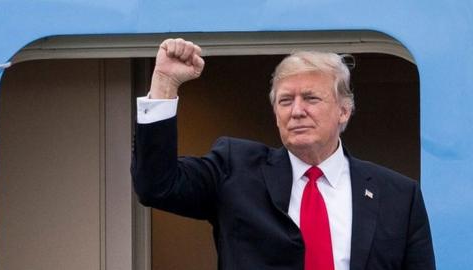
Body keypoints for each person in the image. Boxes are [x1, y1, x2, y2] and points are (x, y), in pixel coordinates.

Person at [131, 38, 436, 270]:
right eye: (286, 100)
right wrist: (165, 84)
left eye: (311, 98)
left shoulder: (398, 195)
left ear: (344, 111)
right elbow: (157, 185)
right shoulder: (235, 168)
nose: (297, 111)